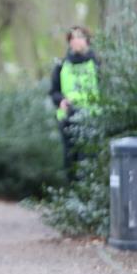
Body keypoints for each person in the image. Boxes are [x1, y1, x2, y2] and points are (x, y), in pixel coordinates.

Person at [49, 25, 100, 180]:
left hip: (91, 117)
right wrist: (61, 101)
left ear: (87, 41)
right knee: (70, 161)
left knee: (88, 160)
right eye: (72, 38)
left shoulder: (97, 64)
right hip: (68, 118)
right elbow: (54, 92)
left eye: (79, 37)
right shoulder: (61, 65)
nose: (76, 41)